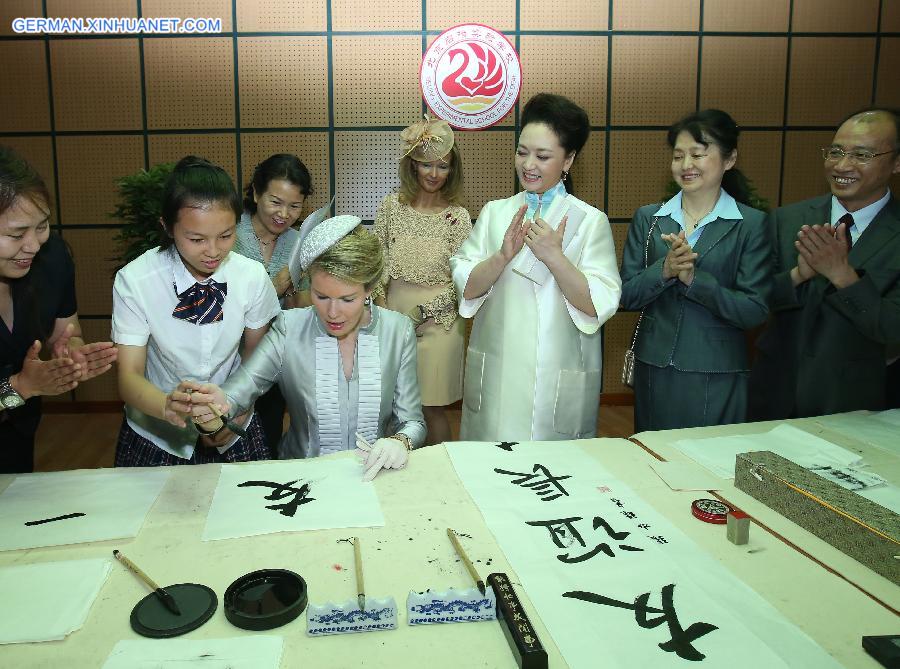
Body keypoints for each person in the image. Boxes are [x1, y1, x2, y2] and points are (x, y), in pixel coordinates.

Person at [188, 216, 425, 481]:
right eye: (321, 296)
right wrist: (212, 409)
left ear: (369, 288)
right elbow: (239, 391)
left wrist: (400, 441)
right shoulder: (289, 328)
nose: (333, 313)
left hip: (375, 475)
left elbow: (412, 420)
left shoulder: (397, 331)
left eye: (348, 299)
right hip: (302, 479)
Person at [450, 93, 621, 442]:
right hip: (497, 375)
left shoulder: (590, 221)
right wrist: (500, 258)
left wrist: (555, 258)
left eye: (543, 156)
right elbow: (465, 288)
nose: (529, 164)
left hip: (554, 381)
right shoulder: (495, 213)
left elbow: (598, 304)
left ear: (569, 159)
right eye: (522, 151)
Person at [112, 156, 281, 466]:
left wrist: (234, 410)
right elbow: (129, 377)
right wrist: (167, 406)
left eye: (226, 235)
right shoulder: (136, 280)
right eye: (196, 239)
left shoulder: (251, 276)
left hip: (233, 423)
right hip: (158, 432)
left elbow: (257, 362)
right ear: (167, 226)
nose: (213, 251)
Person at [620, 110, 770, 432]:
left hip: (717, 372)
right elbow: (625, 295)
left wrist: (694, 280)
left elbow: (754, 310)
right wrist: (665, 270)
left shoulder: (752, 225)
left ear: (729, 160)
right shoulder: (649, 219)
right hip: (654, 367)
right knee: (651, 463)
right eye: (678, 156)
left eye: (698, 154)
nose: (686, 165)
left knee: (708, 467)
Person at [749, 108, 900, 419]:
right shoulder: (786, 219)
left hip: (855, 404)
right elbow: (753, 302)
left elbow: (892, 329)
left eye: (862, 154)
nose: (842, 165)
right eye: (836, 151)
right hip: (774, 394)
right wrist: (797, 275)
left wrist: (843, 276)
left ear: (897, 162)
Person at [0, 146, 118, 474]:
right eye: (15, 234)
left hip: (17, 429)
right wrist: (21, 386)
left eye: (42, 226)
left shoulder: (51, 259)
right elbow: (22, 385)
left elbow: (65, 331)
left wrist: (70, 351)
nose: (34, 245)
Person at [374, 116, 472, 445]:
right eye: (426, 164)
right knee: (392, 406)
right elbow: (375, 264)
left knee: (432, 408)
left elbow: (464, 282)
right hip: (392, 315)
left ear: (452, 170)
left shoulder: (457, 216)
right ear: (412, 164)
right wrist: (386, 312)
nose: (434, 174)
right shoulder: (391, 207)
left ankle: (443, 475)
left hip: (440, 322)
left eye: (443, 166)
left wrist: (422, 313)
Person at [235, 153, 313, 454]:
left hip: (279, 359)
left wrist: (297, 291)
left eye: (294, 206)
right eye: (275, 202)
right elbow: (227, 305)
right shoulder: (230, 236)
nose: (284, 214)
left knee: (268, 436)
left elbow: (302, 307)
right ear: (255, 193)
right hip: (233, 360)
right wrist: (277, 285)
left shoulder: (298, 241)